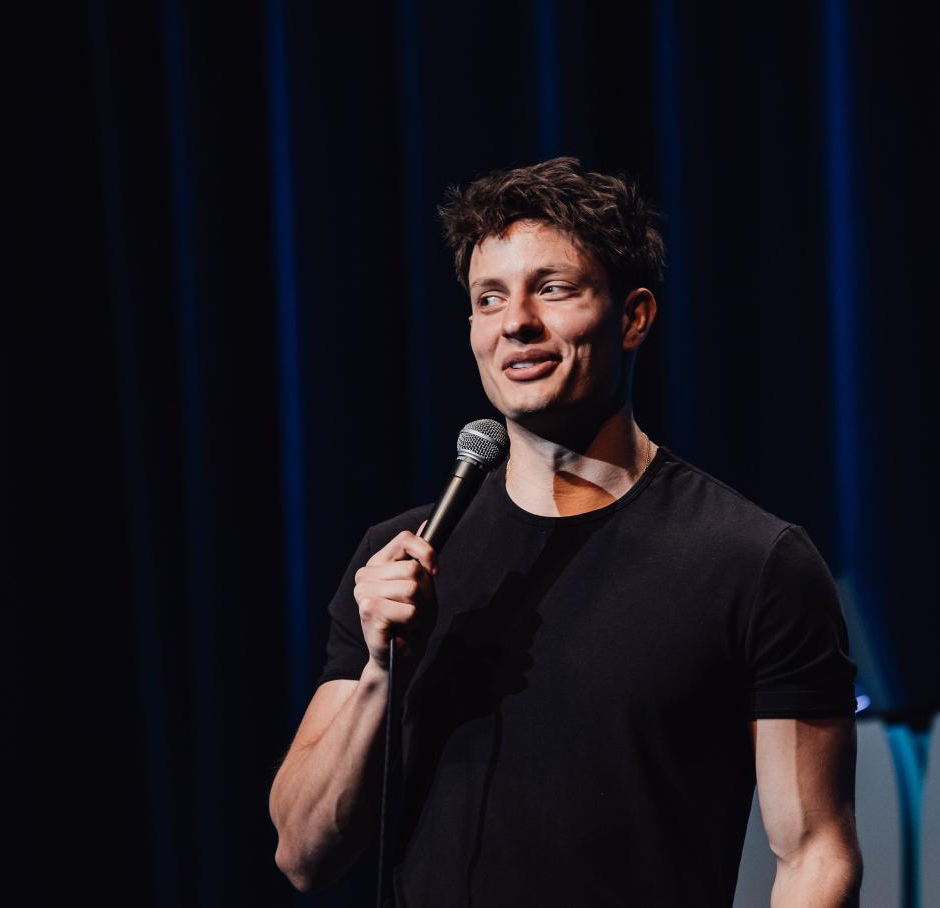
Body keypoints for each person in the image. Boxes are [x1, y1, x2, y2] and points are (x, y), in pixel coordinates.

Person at [269, 157, 861, 906]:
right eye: (490, 298)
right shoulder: (405, 558)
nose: (517, 321)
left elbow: (815, 855)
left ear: (635, 316)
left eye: (552, 289)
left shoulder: (751, 562)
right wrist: (384, 675)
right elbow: (300, 851)